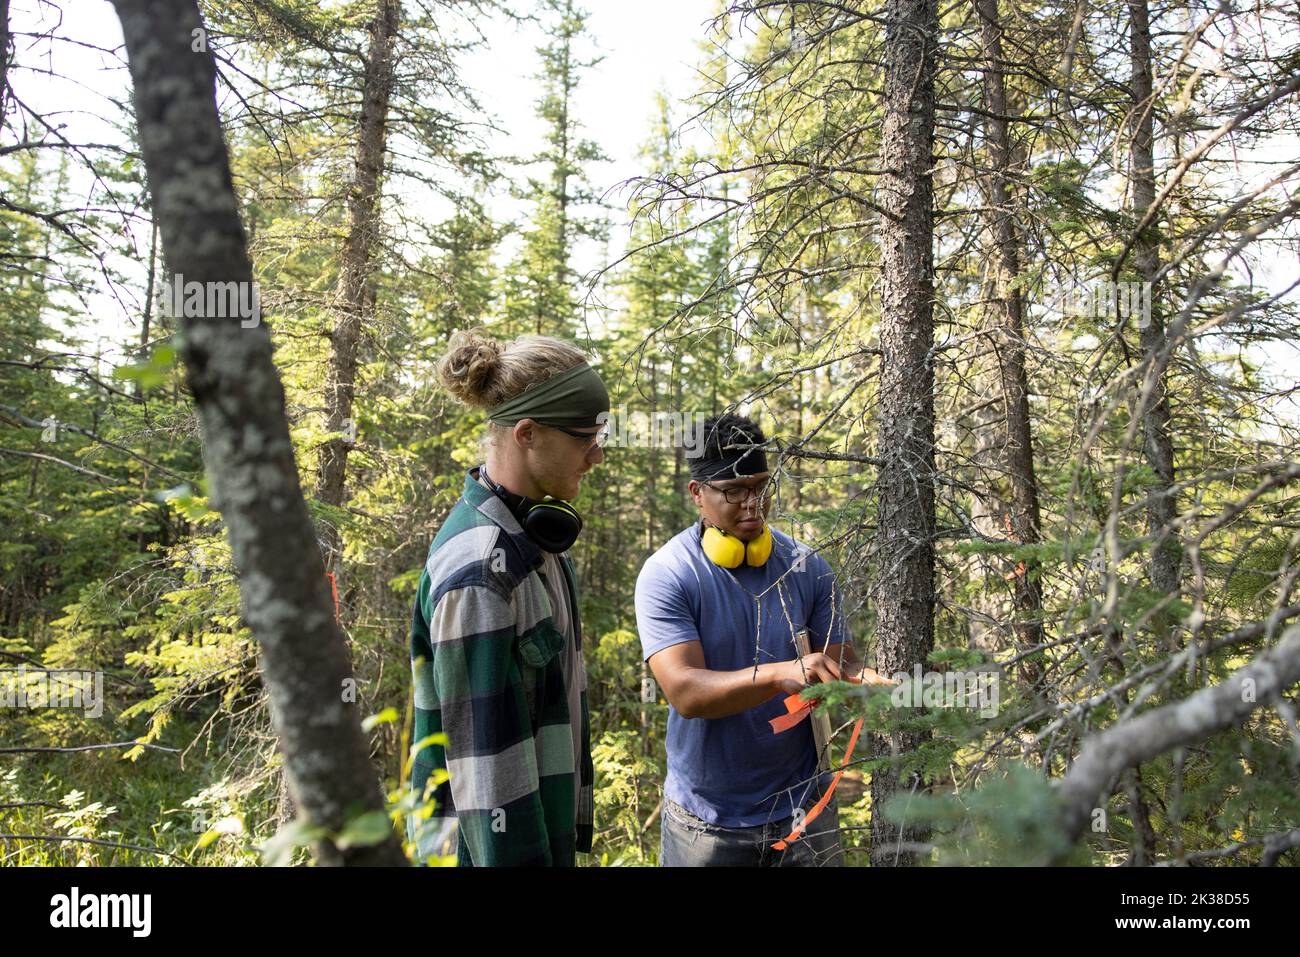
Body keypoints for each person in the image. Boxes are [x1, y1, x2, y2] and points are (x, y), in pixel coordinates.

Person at [407, 330, 610, 866]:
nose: (597, 454)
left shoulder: (538, 541)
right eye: (584, 437)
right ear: (526, 433)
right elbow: (488, 775)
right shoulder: (480, 574)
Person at [635, 412, 870, 866]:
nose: (752, 504)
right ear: (697, 494)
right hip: (706, 822)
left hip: (807, 810)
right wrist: (783, 674)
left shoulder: (808, 567)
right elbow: (686, 693)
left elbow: (842, 664)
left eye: (761, 486)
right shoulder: (668, 574)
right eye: (734, 490)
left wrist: (899, 680)